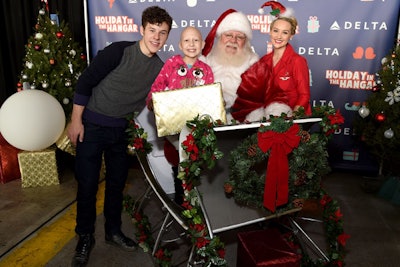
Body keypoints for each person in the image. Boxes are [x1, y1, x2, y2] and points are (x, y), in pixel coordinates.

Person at [66, 6, 172, 267]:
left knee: (116, 185)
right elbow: (85, 82)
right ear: (142, 29)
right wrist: (76, 120)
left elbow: (162, 100)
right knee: (88, 185)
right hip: (91, 126)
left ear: (167, 36)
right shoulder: (118, 51)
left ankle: (113, 231)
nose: (156, 37)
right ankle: (85, 237)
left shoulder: (160, 68)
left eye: (163, 33)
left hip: (121, 131)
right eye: (152, 31)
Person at [146, 26, 214, 204]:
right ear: (180, 45)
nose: (191, 44)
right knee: (180, 165)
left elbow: (210, 100)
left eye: (196, 40)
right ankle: (181, 203)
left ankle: (199, 205)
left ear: (203, 44)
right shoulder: (171, 65)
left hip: (195, 131)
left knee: (197, 166)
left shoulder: (206, 70)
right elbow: (156, 89)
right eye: (187, 40)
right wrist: (153, 103)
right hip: (174, 130)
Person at [232, 1, 311, 122]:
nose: (279, 36)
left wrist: (290, 120)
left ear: (291, 36)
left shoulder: (297, 61)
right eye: (276, 31)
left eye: (285, 32)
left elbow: (304, 96)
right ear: (270, 32)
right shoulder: (264, 61)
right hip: (268, 119)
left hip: (292, 121)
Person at [200, 9, 259, 122]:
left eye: (239, 37)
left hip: (242, 119)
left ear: (245, 41)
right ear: (220, 36)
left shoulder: (253, 62)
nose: (233, 40)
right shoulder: (207, 61)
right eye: (228, 35)